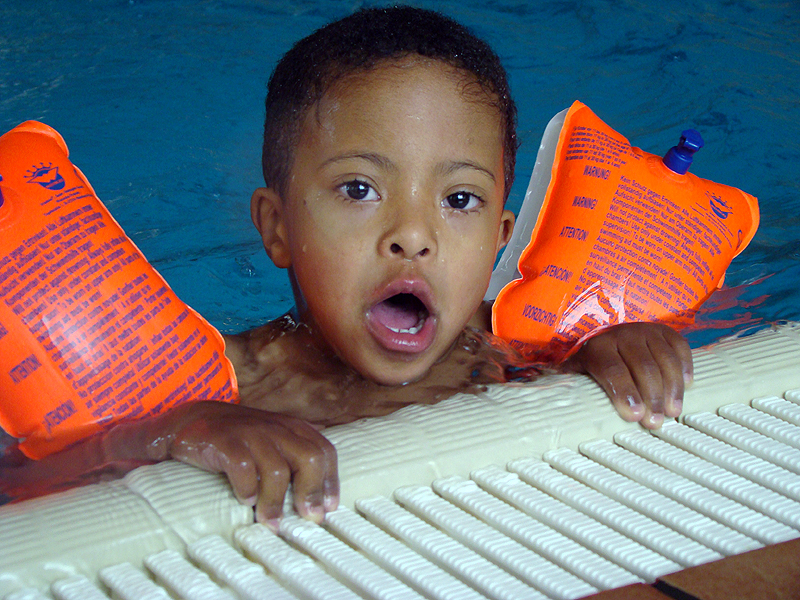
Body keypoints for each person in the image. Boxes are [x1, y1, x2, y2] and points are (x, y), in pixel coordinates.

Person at [0, 6, 692, 529]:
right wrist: (175, 430)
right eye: (359, 189)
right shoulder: (226, 386)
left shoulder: (524, 348)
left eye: (459, 200)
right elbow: (30, 488)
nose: (412, 236)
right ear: (278, 229)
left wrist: (620, 350)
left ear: (497, 240)